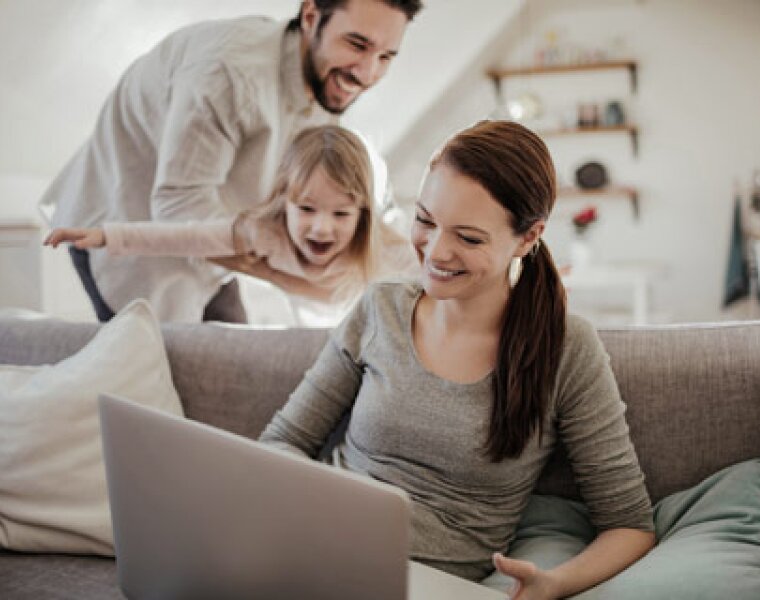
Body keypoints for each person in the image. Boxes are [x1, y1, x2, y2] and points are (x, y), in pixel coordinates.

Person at [259, 120, 655, 599]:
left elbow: (630, 525)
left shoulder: (566, 348)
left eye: (468, 238)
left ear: (528, 238)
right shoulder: (380, 308)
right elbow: (282, 441)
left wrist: (554, 583)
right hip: (313, 547)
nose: (435, 251)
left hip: (425, 585)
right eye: (425, 220)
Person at [39, 0, 423, 323]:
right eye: (357, 45)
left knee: (229, 370)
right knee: (150, 389)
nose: (369, 73)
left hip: (212, 243)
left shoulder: (328, 81)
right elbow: (177, 211)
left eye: (386, 56)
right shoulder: (227, 75)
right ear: (310, 17)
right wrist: (288, 276)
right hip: (129, 233)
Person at [44, 125, 416, 314]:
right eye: (306, 209)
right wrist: (105, 235)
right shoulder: (263, 232)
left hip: (344, 304)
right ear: (283, 201)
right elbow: (183, 237)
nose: (321, 227)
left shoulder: (387, 251)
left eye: (341, 213)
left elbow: (436, 276)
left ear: (363, 213)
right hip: (301, 295)